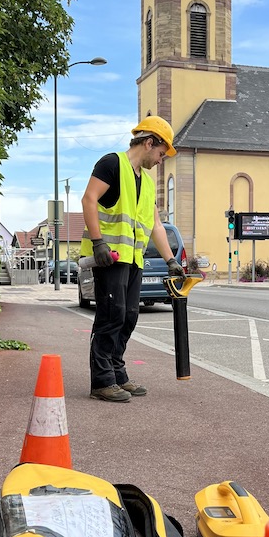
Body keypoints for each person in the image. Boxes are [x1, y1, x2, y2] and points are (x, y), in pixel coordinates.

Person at [80, 115, 185, 402]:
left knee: (128, 316)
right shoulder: (111, 164)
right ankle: (102, 381)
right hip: (109, 258)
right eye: (162, 153)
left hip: (134, 260)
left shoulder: (148, 183)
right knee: (111, 316)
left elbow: (155, 225)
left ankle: (117, 374)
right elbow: (89, 199)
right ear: (149, 143)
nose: (162, 160)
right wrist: (98, 241)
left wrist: (171, 261)